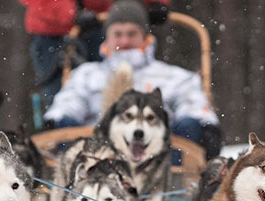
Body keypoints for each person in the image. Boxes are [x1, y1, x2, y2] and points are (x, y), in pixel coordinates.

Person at [43, 0, 222, 158]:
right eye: (118, 34)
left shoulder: (173, 77)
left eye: (131, 33)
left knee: (189, 126)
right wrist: (57, 119)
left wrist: (203, 124)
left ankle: (175, 187)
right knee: (65, 125)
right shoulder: (86, 74)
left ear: (144, 35)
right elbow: (70, 103)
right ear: (107, 37)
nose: (125, 41)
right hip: (95, 157)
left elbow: (191, 104)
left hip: (157, 161)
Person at [18, 0, 169, 108]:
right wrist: (70, 14)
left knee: (117, 94)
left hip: (101, 23)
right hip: (56, 34)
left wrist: (155, 3)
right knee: (63, 103)